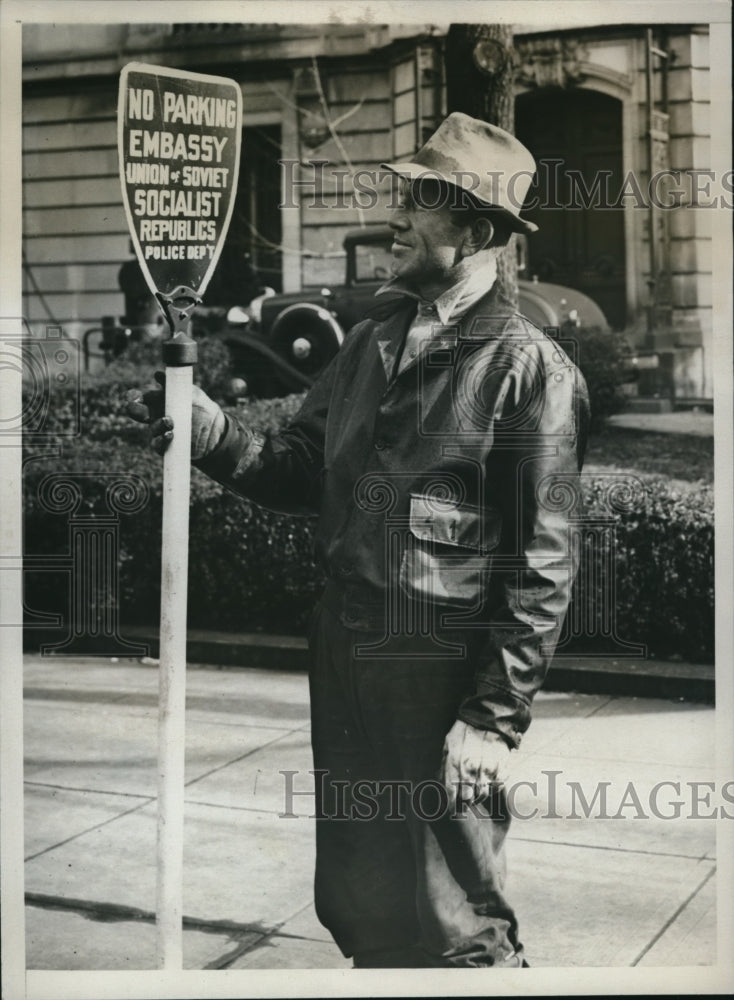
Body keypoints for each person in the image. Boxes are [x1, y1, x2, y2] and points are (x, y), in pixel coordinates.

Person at [127, 112, 589, 969]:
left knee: (456, 919)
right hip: (344, 650)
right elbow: (302, 467)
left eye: (421, 200)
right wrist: (212, 431)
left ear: (477, 231)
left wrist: (491, 719)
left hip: (437, 674)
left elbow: (542, 562)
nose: (396, 216)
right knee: (361, 900)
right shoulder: (372, 340)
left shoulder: (529, 371)